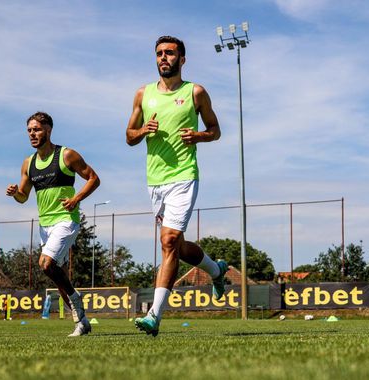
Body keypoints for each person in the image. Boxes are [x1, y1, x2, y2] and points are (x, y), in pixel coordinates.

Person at [126, 36, 229, 336]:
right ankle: (216, 270)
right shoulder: (142, 95)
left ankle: (154, 316)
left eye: (170, 53)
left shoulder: (195, 92)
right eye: (159, 53)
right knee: (178, 245)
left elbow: (216, 131)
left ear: (182, 59)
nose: (163, 58)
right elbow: (129, 136)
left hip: (184, 175)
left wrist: (199, 136)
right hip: (154, 181)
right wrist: (144, 129)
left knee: (168, 241)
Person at [6, 111, 100, 336]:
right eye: (29, 130)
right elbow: (23, 197)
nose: (32, 134)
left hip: (66, 220)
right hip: (44, 225)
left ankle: (76, 302)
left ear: (48, 130)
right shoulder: (28, 164)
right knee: (55, 272)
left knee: (46, 264)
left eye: (36, 129)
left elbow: (94, 178)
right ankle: (82, 322)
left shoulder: (66, 155)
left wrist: (76, 199)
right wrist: (15, 193)